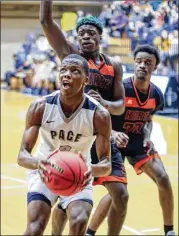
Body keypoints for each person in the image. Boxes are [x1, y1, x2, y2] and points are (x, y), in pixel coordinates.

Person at [40, 1, 128, 236]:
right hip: (76, 136)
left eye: (91, 33)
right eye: (81, 34)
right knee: (67, 194)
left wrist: (105, 103)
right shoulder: (72, 56)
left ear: (100, 36)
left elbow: (120, 106)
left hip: (101, 135)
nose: (85, 37)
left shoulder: (114, 65)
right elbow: (46, 22)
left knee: (121, 193)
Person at [17, 54, 112, 235]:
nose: (66, 75)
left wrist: (93, 170)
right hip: (44, 170)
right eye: (63, 70)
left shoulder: (99, 115)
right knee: (35, 227)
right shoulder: (40, 107)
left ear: (86, 79)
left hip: (79, 173)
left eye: (74, 71)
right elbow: (22, 156)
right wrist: (38, 163)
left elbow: (106, 163)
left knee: (79, 220)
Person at [87, 45, 175, 236]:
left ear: (155, 67)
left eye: (148, 62)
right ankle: (90, 232)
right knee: (116, 194)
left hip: (136, 142)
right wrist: (112, 134)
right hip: (112, 141)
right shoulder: (121, 89)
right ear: (134, 63)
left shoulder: (156, 94)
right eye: (139, 61)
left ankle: (169, 231)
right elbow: (98, 117)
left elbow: (148, 119)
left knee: (163, 178)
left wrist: (148, 136)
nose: (142, 65)